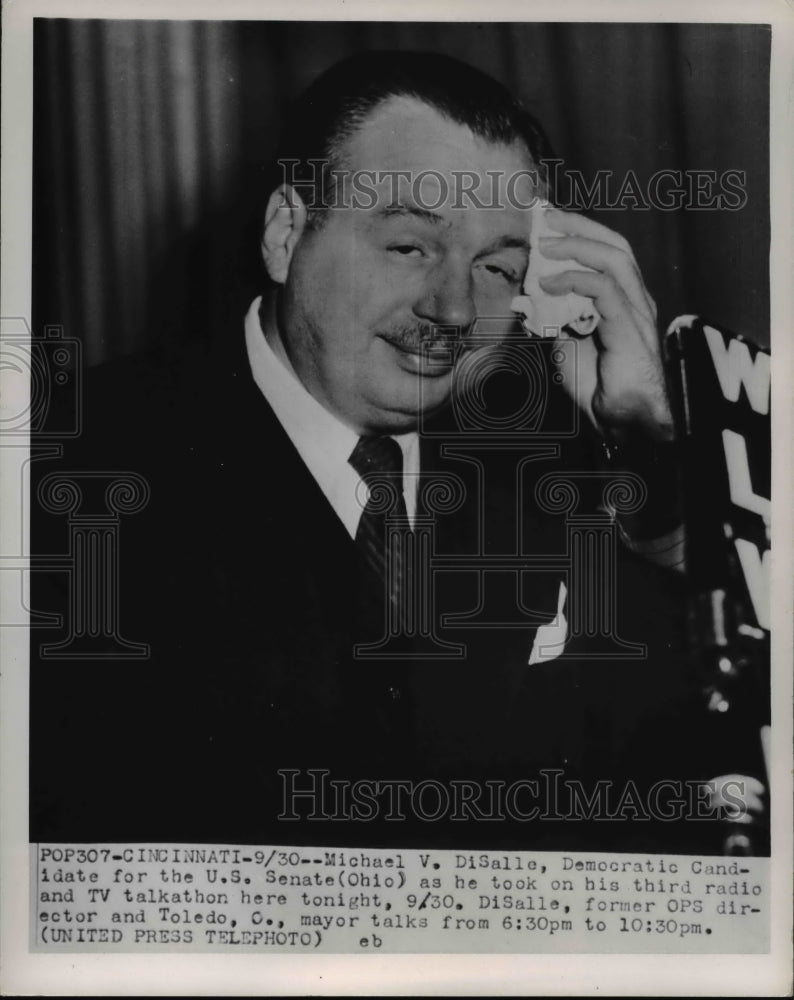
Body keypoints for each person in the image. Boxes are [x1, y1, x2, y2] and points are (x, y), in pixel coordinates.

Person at [30, 51, 765, 852]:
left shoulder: (566, 468)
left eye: (496, 266)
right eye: (410, 246)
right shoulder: (71, 462)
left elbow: (705, 779)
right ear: (286, 234)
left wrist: (644, 435)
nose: (451, 308)